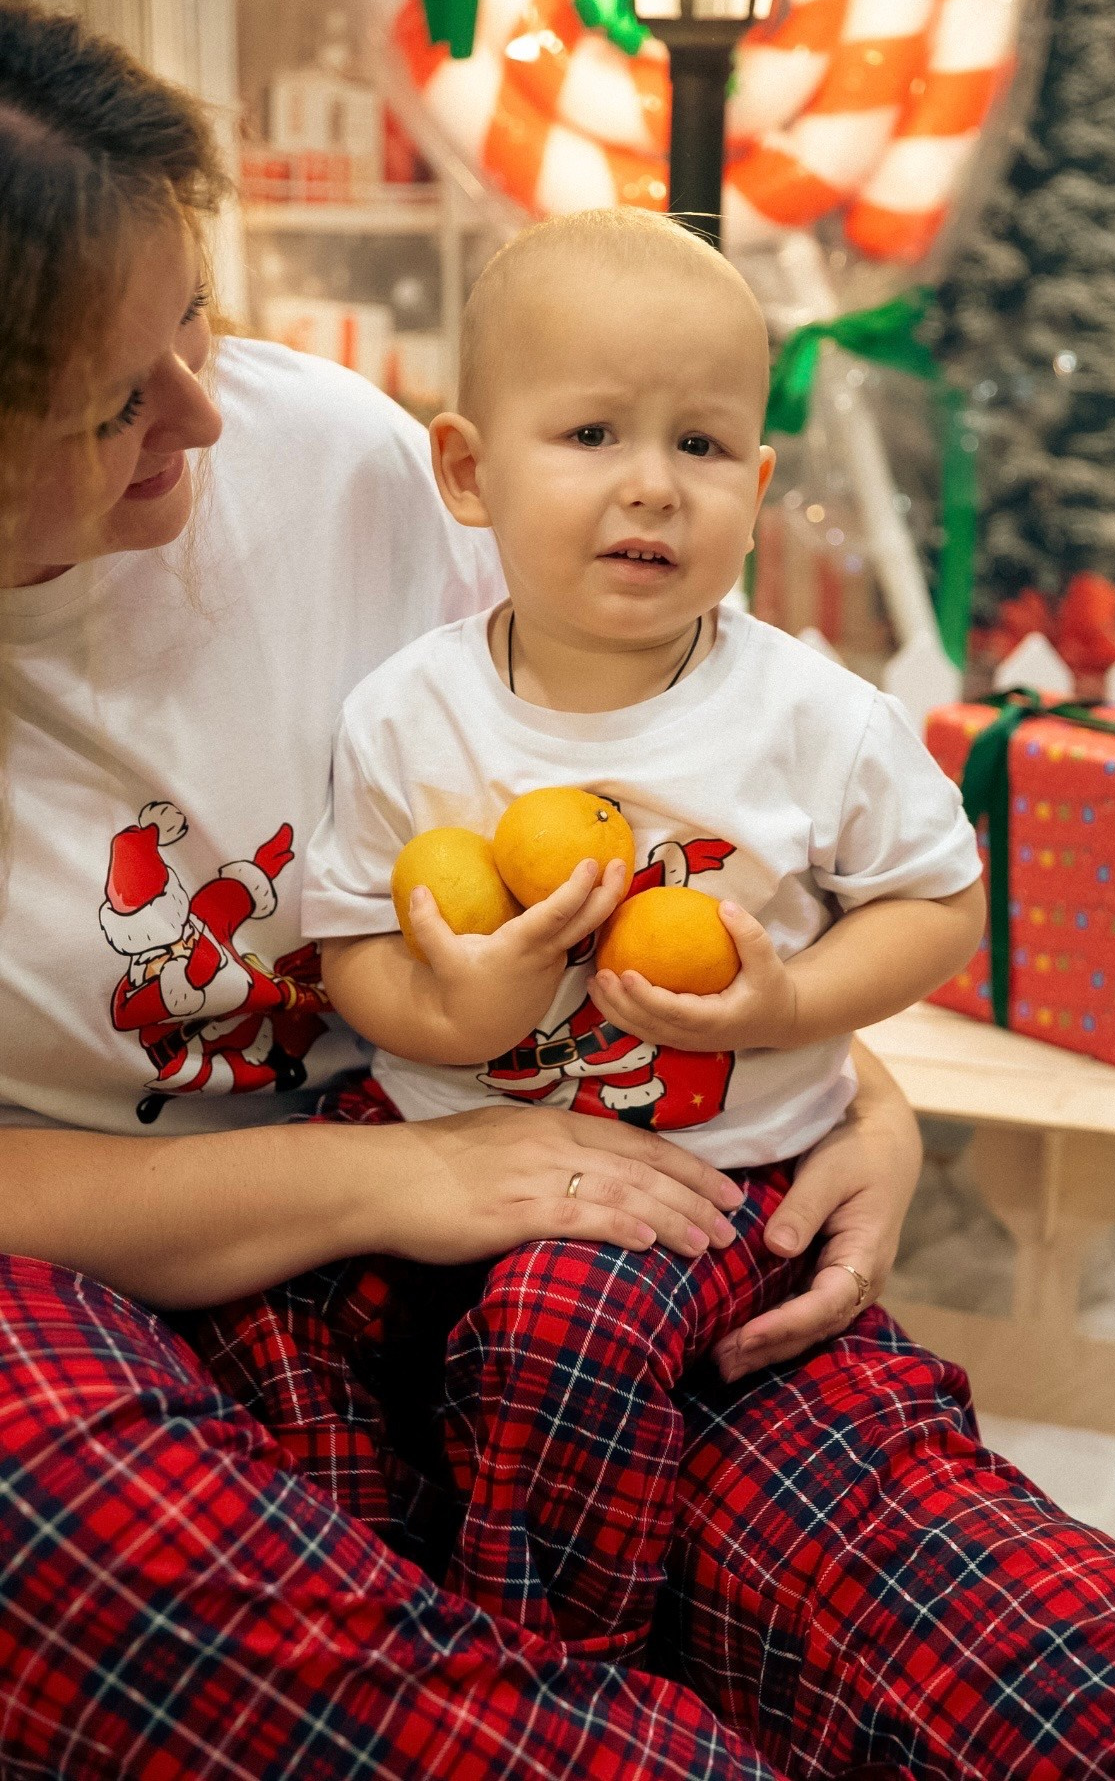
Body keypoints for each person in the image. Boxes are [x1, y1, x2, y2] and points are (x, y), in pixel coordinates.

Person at [0, 0, 1115, 1780]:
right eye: (117, 400)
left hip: (553, 1174)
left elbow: (639, 791)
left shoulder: (330, 457)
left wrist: (819, 1068)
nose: (202, 410)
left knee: (1004, 1641)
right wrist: (399, 1178)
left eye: (199, 318)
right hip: (118, 1277)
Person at [301, 208, 986, 1657]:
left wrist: (787, 1003)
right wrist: (461, 1019)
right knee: (299, 1334)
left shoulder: (813, 718)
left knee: (563, 1327)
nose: (653, 489)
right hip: (432, 1138)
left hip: (695, 1174)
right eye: (594, 434)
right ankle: (401, 1585)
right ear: (468, 473)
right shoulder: (405, 715)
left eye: (699, 446)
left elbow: (939, 902)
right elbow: (355, 944)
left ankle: (554, 1666)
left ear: (758, 482)